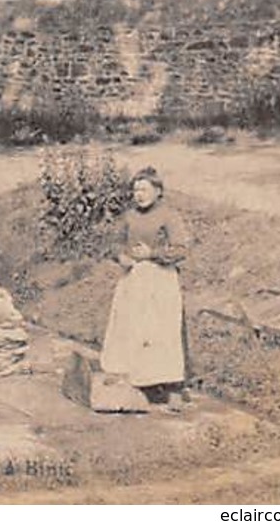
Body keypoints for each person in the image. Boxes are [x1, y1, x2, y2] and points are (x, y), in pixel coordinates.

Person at [100, 168, 191, 409]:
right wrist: (121, 257)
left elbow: (180, 249)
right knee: (131, 328)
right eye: (135, 189)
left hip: (160, 279)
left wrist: (153, 254)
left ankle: (172, 387)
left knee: (162, 331)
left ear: (158, 191)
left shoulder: (168, 216)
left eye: (144, 189)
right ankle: (138, 381)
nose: (138, 195)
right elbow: (115, 243)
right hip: (133, 279)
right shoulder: (129, 216)